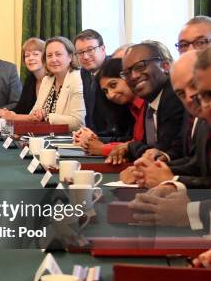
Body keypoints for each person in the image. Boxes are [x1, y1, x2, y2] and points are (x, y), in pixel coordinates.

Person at [126, 51, 210, 189]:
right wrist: (150, 171)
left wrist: (172, 179)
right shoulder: (201, 119)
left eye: (194, 86)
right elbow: (197, 163)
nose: (189, 97)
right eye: (181, 93)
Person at [106, 42, 184, 164]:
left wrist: (130, 147)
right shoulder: (151, 101)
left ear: (165, 66)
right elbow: (148, 149)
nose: (133, 76)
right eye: (126, 73)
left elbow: (160, 153)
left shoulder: (174, 97)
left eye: (140, 67)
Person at [0, 36, 85, 131]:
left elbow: (78, 122)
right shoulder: (47, 80)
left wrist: (46, 116)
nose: (53, 59)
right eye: (49, 56)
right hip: (45, 136)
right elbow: (33, 114)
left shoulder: (78, 79)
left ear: (70, 57)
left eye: (58, 54)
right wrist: (34, 116)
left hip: (70, 140)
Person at [75, 58, 140, 156]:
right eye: (105, 91)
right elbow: (123, 137)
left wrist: (100, 144)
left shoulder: (144, 104)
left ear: (127, 77)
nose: (110, 95)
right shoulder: (124, 107)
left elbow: (138, 144)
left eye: (113, 85)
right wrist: (93, 138)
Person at [73, 29, 121, 135]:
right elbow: (90, 111)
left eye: (90, 50)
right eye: (80, 52)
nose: (85, 56)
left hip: (114, 138)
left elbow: (115, 118)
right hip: (95, 136)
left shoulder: (114, 70)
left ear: (103, 49)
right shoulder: (84, 72)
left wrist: (97, 138)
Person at [6, 38, 45, 115]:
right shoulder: (30, 79)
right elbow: (21, 108)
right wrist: (7, 112)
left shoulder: (53, 79)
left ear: (45, 57)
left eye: (36, 54)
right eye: (27, 55)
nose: (30, 58)